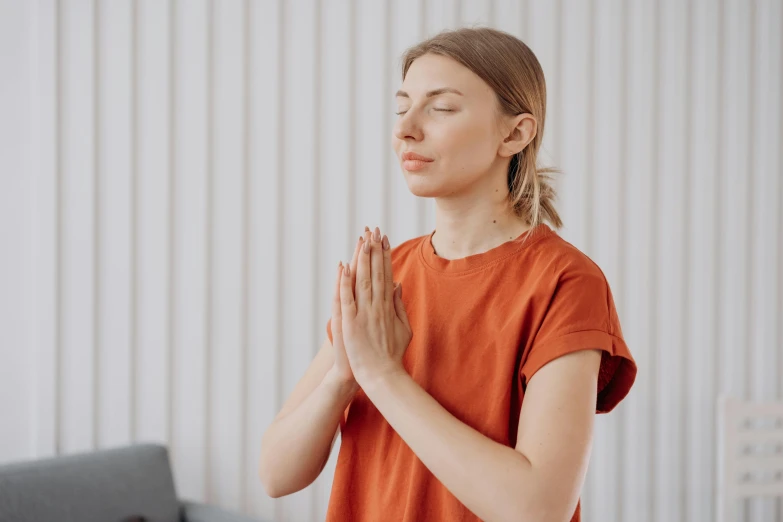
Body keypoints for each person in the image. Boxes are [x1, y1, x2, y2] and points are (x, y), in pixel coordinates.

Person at [259, 27, 636, 522]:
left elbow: (538, 509)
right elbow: (276, 474)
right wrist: (344, 378)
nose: (405, 130)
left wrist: (383, 374)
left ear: (516, 133)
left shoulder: (565, 282)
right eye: (402, 108)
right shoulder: (386, 274)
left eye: (440, 108)